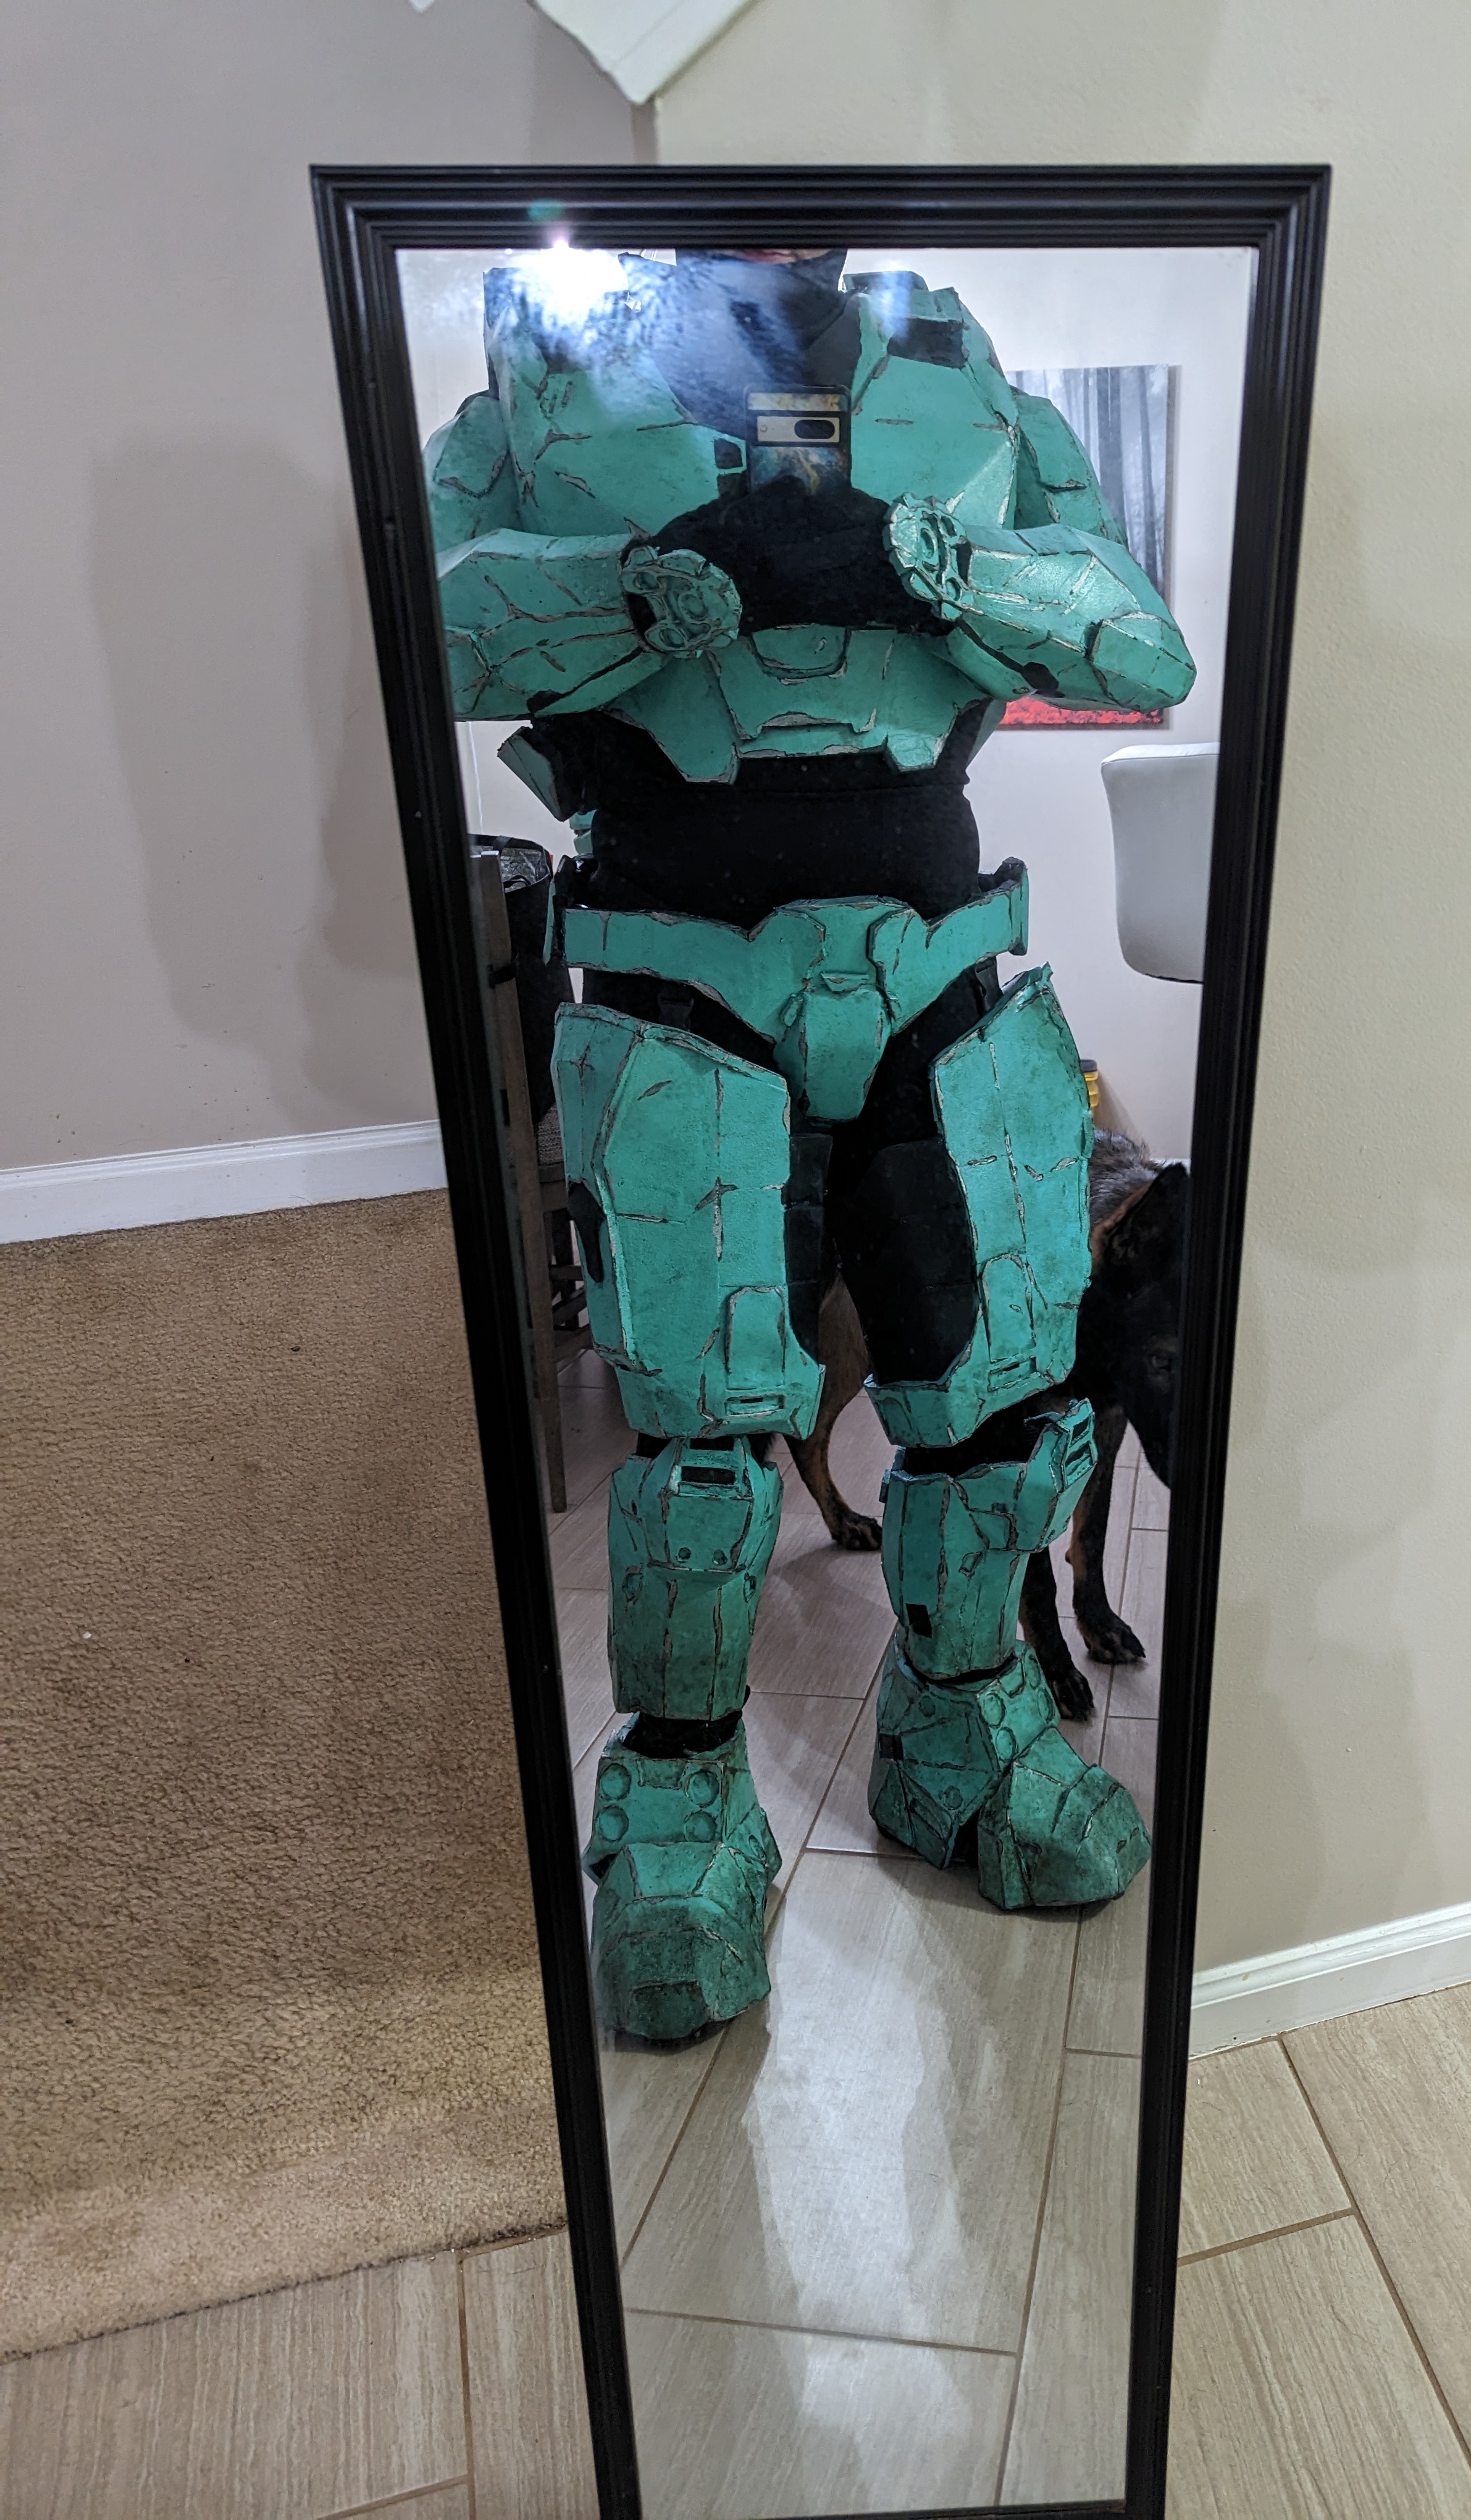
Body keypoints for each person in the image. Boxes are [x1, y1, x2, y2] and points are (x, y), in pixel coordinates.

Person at [425, 245, 1196, 2041]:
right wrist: (641, 585)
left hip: (940, 963)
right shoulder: (551, 361)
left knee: (998, 1405)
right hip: (676, 967)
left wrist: (939, 563)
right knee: (701, 1446)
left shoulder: (957, 369)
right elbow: (428, 626)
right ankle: (685, 1789)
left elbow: (1138, 636)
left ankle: (964, 1722)